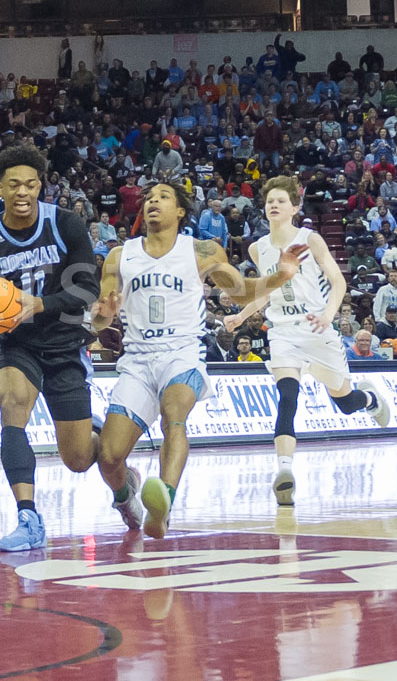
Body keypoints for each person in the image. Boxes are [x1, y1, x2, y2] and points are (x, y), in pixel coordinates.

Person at [89, 182, 302, 539]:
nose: (153, 201)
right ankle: (126, 495)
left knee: (174, 417)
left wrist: (280, 276)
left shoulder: (201, 250)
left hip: (182, 352)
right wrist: (103, 313)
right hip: (137, 360)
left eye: (163, 197)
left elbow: (238, 293)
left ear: (181, 212)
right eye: (149, 198)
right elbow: (99, 318)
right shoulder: (118, 255)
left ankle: (164, 500)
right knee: (109, 457)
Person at [0, 146, 100, 551]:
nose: (23, 191)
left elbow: (88, 286)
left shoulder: (66, 223)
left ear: (41, 186)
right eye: (13, 184)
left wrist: (41, 304)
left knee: (79, 459)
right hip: (17, 344)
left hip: (66, 344)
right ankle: (28, 517)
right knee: (11, 403)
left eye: (30, 184)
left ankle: (104, 444)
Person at [222, 176, 391, 506]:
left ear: (295, 208)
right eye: (269, 200)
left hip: (317, 328)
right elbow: (268, 290)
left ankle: (369, 401)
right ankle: (284, 472)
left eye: (281, 200)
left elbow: (338, 282)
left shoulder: (310, 240)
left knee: (343, 403)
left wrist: (329, 314)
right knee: (287, 395)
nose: (273, 204)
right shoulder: (258, 248)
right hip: (283, 331)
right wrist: (242, 316)